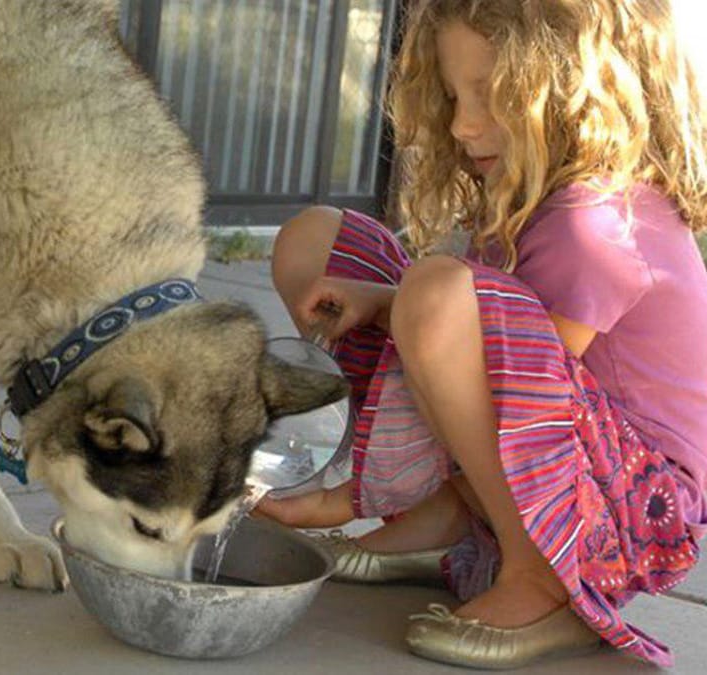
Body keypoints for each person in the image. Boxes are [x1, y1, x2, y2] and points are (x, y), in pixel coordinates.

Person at [257, 0, 707, 669]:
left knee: (437, 293)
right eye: (450, 94)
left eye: (493, 96)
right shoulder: (532, 194)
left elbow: (518, 393)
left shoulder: (599, 224)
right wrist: (378, 302)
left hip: (634, 515)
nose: (463, 125)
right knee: (316, 244)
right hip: (555, 464)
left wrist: (347, 496)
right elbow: (485, 364)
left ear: (578, 89)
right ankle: (450, 526)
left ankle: (544, 578)